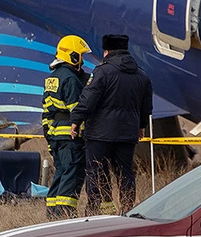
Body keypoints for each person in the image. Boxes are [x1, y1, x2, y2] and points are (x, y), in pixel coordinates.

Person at [70, 34, 152, 215]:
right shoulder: (142, 75)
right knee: (125, 173)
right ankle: (128, 210)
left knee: (96, 172)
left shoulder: (102, 72)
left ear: (106, 51)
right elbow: (146, 107)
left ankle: (93, 212)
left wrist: (76, 119)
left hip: (100, 134)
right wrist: (141, 126)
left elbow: (88, 99)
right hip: (127, 133)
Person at [42, 35, 91, 218]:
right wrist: (85, 134)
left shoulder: (51, 78)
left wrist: (49, 139)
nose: (82, 60)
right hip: (71, 137)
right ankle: (65, 215)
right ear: (73, 56)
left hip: (55, 137)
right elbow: (77, 111)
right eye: (80, 56)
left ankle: (52, 214)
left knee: (60, 175)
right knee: (72, 176)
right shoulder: (70, 79)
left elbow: (46, 112)